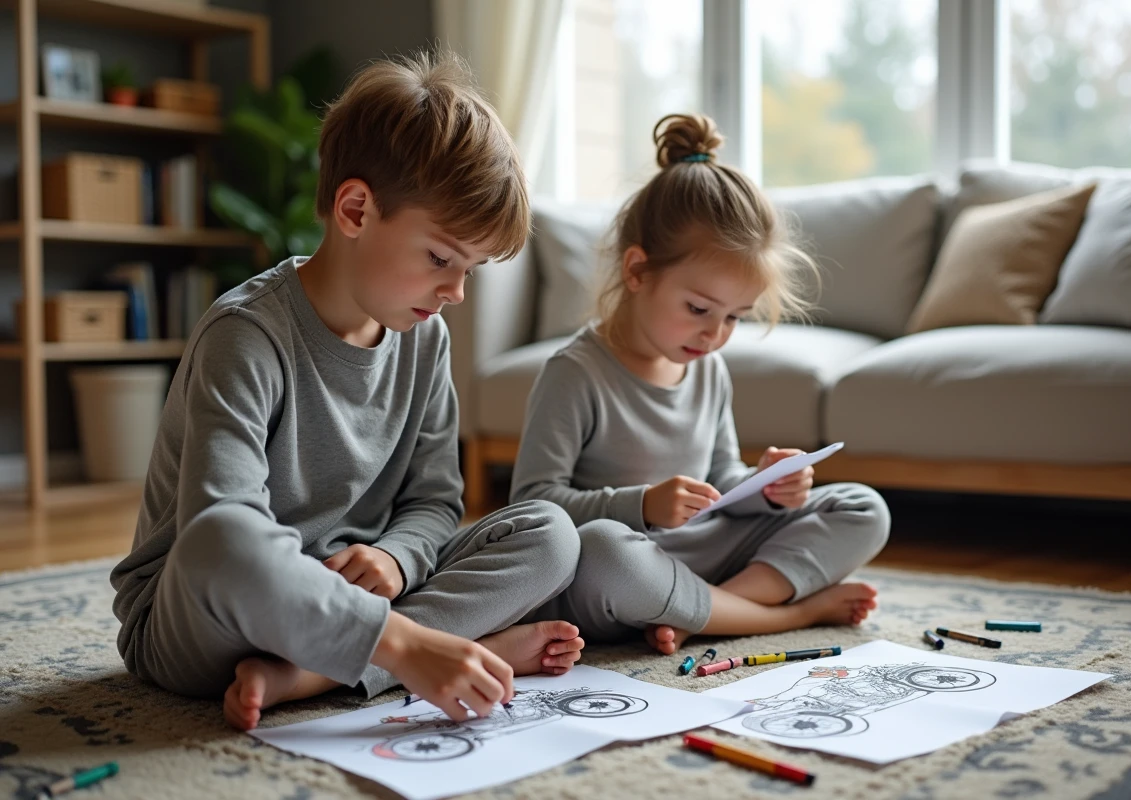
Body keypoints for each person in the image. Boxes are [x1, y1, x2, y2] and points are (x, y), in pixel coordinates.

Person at [110, 52, 585, 731]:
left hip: (354, 601)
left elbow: (433, 500)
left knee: (550, 534)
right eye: (441, 259)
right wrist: (402, 637)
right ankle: (406, 652)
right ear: (356, 210)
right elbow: (219, 535)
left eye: (470, 270)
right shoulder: (245, 334)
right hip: (200, 627)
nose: (454, 293)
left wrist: (394, 557)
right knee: (225, 541)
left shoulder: (426, 338)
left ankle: (307, 674)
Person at [513, 113, 890, 655]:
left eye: (736, 317)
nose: (715, 334)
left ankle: (705, 609)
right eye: (698, 309)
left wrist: (764, 490)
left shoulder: (706, 365)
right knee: (607, 553)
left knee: (863, 507)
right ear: (638, 272)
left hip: (699, 561)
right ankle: (784, 614)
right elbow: (533, 505)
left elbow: (719, 479)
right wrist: (640, 506)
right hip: (626, 565)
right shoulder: (576, 372)